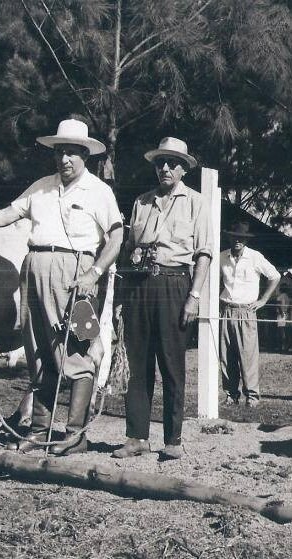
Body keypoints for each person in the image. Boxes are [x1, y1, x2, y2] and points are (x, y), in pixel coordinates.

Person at [0, 118, 123, 455]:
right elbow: (6, 214)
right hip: (34, 269)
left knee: (77, 349)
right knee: (39, 350)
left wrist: (94, 272)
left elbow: (116, 236)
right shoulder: (41, 187)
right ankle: (39, 429)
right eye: (60, 152)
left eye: (72, 153)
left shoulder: (99, 191)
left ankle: (74, 434)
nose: (65, 159)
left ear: (86, 155)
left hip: (76, 273)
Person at [113, 137, 212, 461]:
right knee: (137, 364)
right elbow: (128, 249)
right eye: (160, 163)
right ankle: (136, 436)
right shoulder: (141, 202)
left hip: (174, 284)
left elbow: (204, 255)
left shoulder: (196, 203)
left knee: (171, 364)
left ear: (184, 168)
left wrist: (193, 297)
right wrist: (122, 294)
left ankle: (173, 439)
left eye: (172, 163)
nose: (165, 168)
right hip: (140, 285)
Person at [219, 221, 280, 407]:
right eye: (234, 237)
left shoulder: (255, 257)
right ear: (229, 237)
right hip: (226, 310)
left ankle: (252, 397)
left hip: (247, 312)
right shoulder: (222, 257)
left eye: (241, 238)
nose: (237, 241)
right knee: (226, 355)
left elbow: (275, 276)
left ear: (246, 240)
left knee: (248, 355)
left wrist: (262, 301)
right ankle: (231, 394)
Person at [273, 288, 291, 353]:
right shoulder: (287, 297)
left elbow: (278, 305)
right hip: (286, 315)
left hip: (281, 315)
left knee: (281, 332)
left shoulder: (280, 296)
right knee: (285, 331)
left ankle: (281, 348)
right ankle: (285, 347)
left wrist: (281, 313)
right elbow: (289, 307)